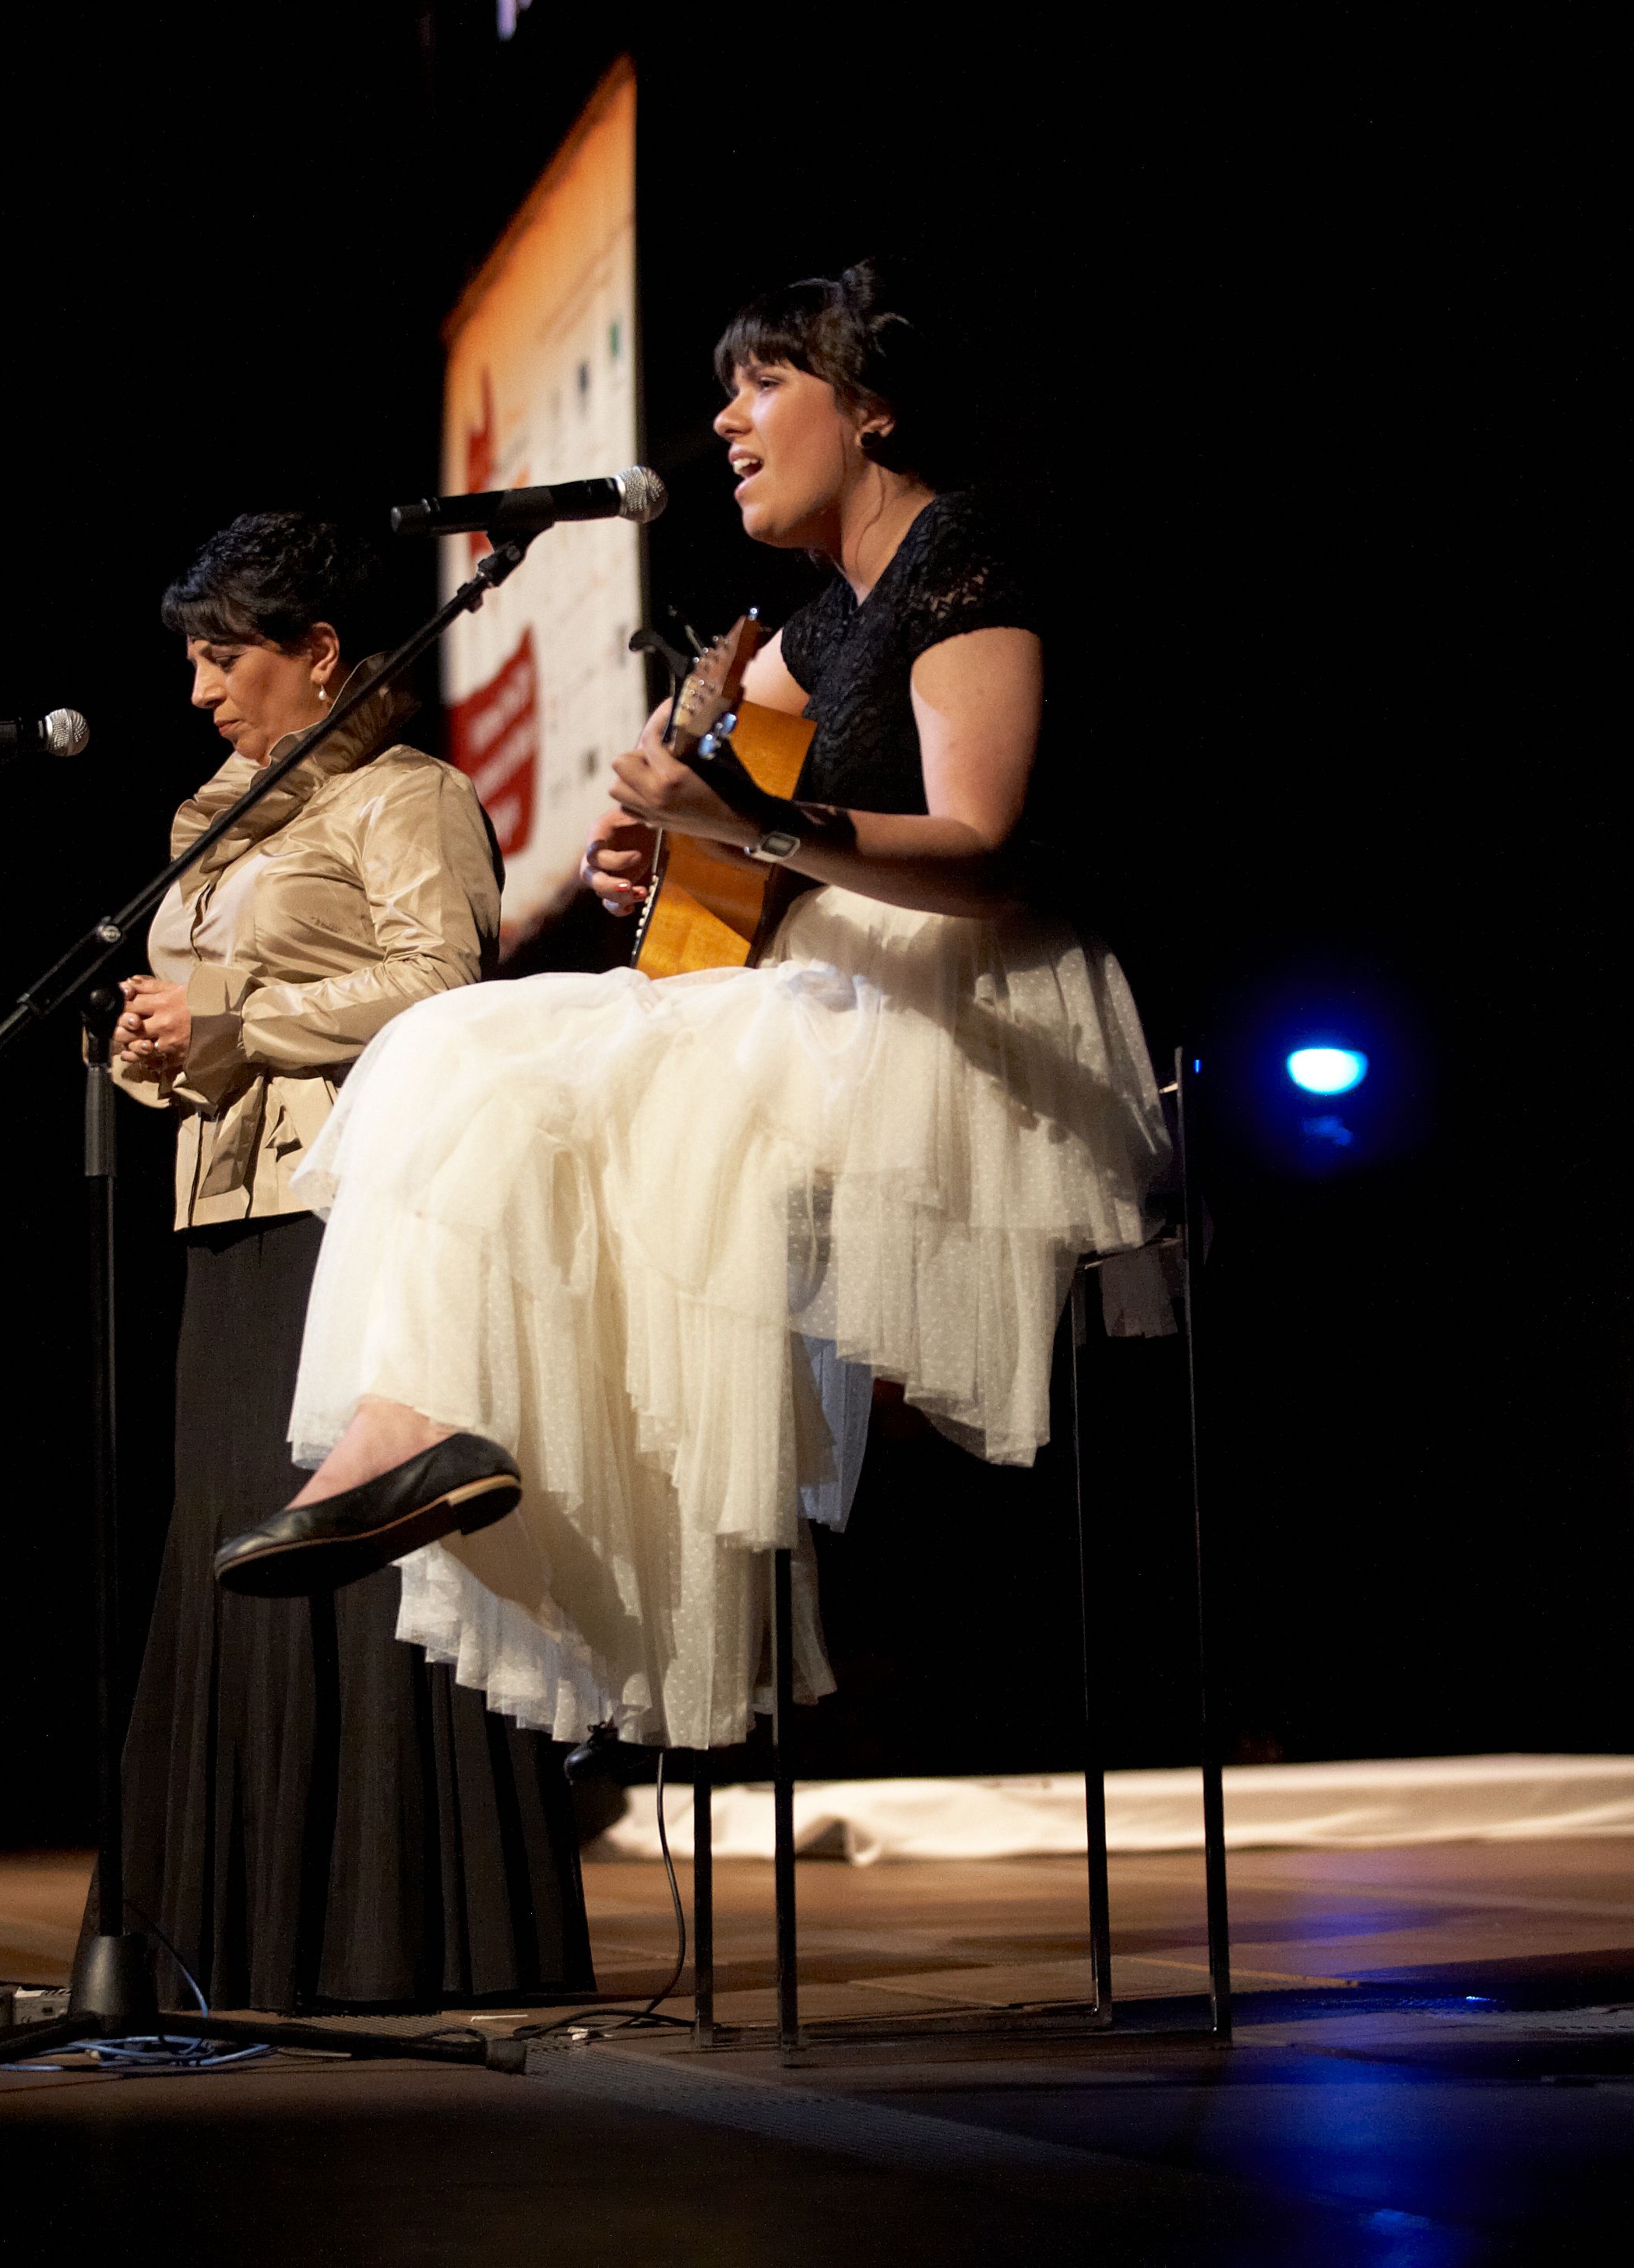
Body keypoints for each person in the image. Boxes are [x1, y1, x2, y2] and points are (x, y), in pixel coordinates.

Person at [213, 266, 1169, 1753]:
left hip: (955, 1006)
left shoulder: (960, 559)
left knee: (591, 1103)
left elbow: (983, 849)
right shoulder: (810, 624)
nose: (725, 419)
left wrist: (738, 824)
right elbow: (704, 785)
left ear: (874, 409)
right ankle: (421, 1428)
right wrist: (655, 850)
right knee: (460, 1043)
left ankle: (504, 1462)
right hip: (820, 985)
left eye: (766, 381)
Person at [98, 511, 592, 2013]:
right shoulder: (210, 820)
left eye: (222, 654)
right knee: (230, 1556)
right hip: (224, 1212)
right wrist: (151, 1047)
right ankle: (235, 1938)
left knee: (360, 1555)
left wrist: (240, 1023)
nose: (198, 688)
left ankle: (412, 1936)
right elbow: (202, 1020)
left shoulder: (407, 795)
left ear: (319, 656)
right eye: (190, 656)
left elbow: (449, 982)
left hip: (355, 1212)